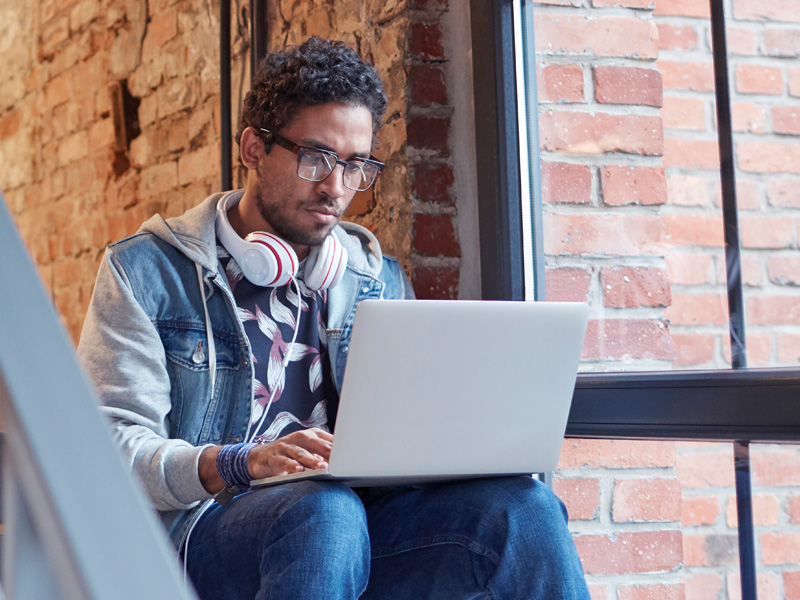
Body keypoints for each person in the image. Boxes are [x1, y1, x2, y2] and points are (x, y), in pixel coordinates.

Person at [78, 36, 590, 599]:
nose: (335, 187)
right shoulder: (147, 271)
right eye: (316, 158)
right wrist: (239, 463)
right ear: (253, 147)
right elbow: (109, 448)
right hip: (202, 536)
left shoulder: (375, 280)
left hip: (350, 527)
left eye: (355, 166)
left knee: (524, 510)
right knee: (322, 512)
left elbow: (410, 435)